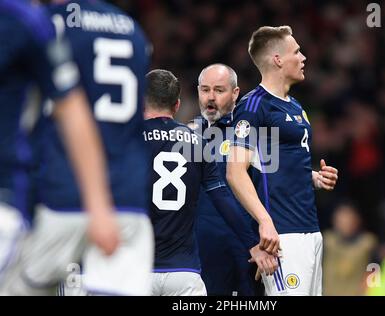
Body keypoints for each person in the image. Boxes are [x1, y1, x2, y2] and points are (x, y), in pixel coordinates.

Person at [3, 0, 154, 296]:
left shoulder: (45, 22)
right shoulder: (133, 31)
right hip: (126, 195)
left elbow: (41, 110)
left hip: (58, 189)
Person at [227, 25, 339, 296]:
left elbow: (273, 164)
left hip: (310, 231)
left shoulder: (296, 107)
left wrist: (314, 178)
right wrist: (265, 222)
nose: (303, 58)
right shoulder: (253, 105)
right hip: (282, 234)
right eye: (297, 52)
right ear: (277, 59)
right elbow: (235, 172)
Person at [143, 69, 276, 296]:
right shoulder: (198, 141)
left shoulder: (127, 139)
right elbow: (222, 196)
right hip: (184, 272)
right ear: (177, 105)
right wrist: (252, 242)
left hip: (139, 268)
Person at [191, 64, 261, 296]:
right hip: (202, 247)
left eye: (219, 90)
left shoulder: (249, 132)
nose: (210, 97)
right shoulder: (189, 134)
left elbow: (278, 176)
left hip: (245, 246)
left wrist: (311, 177)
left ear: (235, 93)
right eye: (205, 90)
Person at [323, 202, 377, 296]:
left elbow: (375, 271)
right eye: (341, 220)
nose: (346, 224)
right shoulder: (327, 241)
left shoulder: (367, 243)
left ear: (358, 220)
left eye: (349, 220)